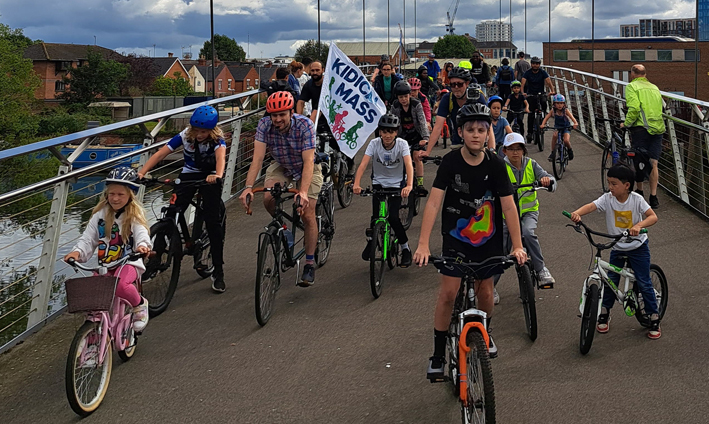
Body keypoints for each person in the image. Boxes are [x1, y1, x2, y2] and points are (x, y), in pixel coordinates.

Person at [413, 103, 527, 378]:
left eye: (481, 130)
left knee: (486, 292)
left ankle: (485, 332)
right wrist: (423, 244)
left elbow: (509, 207)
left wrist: (517, 245)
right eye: (470, 130)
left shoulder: (496, 165)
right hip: (456, 239)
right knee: (449, 294)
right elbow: (434, 202)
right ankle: (439, 353)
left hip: (487, 240)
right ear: (461, 132)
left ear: (488, 132)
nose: (476, 135)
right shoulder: (451, 162)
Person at [138, 105, 227, 292]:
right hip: (189, 174)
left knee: (212, 223)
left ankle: (218, 271)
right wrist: (143, 172)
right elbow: (162, 153)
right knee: (171, 212)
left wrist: (218, 175)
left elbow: (220, 159)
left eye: (203, 132)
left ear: (211, 130)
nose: (199, 134)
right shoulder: (185, 135)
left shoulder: (218, 140)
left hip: (210, 176)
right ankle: (155, 260)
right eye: (196, 130)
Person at [240, 91, 323, 286]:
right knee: (269, 198)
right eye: (273, 115)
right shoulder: (264, 125)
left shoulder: (305, 125)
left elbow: (309, 161)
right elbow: (258, 159)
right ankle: (285, 231)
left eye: (281, 115)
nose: (277, 119)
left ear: (291, 112)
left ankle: (309, 262)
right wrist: (248, 187)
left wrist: (302, 191)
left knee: (307, 212)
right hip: (282, 165)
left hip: (305, 166)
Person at [569, 164, 660, 339]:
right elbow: (591, 206)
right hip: (617, 246)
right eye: (609, 183)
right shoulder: (607, 199)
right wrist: (577, 214)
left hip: (638, 246)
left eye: (614, 184)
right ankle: (604, 312)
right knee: (611, 280)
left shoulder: (636, 199)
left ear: (627, 185)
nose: (610, 187)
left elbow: (652, 217)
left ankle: (654, 316)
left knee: (644, 281)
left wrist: (638, 226)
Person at [65, 167, 152, 332]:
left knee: (121, 286)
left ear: (130, 196)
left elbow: (141, 232)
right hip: (106, 263)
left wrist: (142, 246)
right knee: (95, 295)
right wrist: (77, 252)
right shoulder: (100, 215)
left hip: (129, 262)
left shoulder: (133, 214)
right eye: (111, 194)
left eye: (121, 194)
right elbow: (88, 238)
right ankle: (93, 338)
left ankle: (140, 305)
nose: (115, 198)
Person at [498, 133, 556, 299]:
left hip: (528, 213)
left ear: (523, 150)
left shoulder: (531, 164)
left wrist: (547, 181)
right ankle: (490, 286)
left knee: (528, 233)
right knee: (501, 250)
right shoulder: (500, 166)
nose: (515, 152)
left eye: (518, 149)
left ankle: (541, 269)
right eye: (511, 149)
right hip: (505, 217)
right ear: (504, 151)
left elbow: (552, 180)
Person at [353, 114, 415, 268]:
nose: (387, 135)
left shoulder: (402, 144)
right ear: (380, 132)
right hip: (379, 183)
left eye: (391, 131)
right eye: (384, 131)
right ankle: (372, 242)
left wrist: (409, 185)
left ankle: (405, 248)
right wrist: (356, 183)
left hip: (396, 185)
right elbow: (363, 164)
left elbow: (408, 165)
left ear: (396, 132)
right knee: (375, 218)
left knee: (393, 218)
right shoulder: (374, 144)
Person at [297, 60, 355, 177]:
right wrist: (298, 118)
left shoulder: (330, 84)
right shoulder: (309, 85)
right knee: (319, 147)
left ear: (323, 70)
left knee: (343, 145)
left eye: (317, 70)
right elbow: (301, 101)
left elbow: (328, 105)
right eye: (312, 70)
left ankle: (350, 164)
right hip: (318, 120)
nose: (315, 73)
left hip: (336, 119)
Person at [422, 67, 495, 155]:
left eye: (459, 84)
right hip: (458, 142)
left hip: (477, 142)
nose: (456, 87)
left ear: (467, 83)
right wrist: (427, 152)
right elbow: (437, 127)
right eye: (452, 85)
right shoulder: (447, 99)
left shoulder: (477, 96)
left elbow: (488, 126)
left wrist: (492, 150)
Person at [621, 64, 665, 209]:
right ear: (645, 74)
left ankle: (639, 191)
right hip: (658, 128)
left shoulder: (632, 87)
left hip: (641, 128)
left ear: (632, 74)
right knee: (654, 163)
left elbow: (633, 108)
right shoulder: (654, 87)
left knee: (638, 161)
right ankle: (653, 197)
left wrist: (626, 124)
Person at [390, 81, 430, 193]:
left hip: (416, 135)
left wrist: (425, 138)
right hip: (403, 136)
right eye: (401, 97)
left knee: (417, 156)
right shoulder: (395, 106)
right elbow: (393, 123)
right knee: (401, 158)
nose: (403, 99)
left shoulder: (416, 104)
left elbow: (422, 121)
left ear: (410, 95)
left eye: (406, 96)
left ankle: (420, 184)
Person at [521, 56, 555, 142]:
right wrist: (522, 92)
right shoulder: (527, 73)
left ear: (539, 65)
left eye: (537, 64)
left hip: (541, 93)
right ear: (531, 64)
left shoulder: (542, 72)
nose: (535, 65)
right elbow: (523, 83)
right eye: (533, 63)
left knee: (544, 103)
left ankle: (544, 119)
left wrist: (552, 91)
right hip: (531, 94)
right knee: (531, 114)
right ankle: (529, 133)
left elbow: (548, 81)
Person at [540, 94, 578, 161]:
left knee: (566, 140)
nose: (559, 105)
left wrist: (575, 123)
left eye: (561, 103)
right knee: (555, 136)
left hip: (566, 127)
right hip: (557, 127)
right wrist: (543, 124)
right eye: (557, 103)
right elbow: (546, 117)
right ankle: (552, 153)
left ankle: (570, 150)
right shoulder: (553, 110)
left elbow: (572, 118)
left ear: (564, 104)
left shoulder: (566, 111)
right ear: (554, 104)